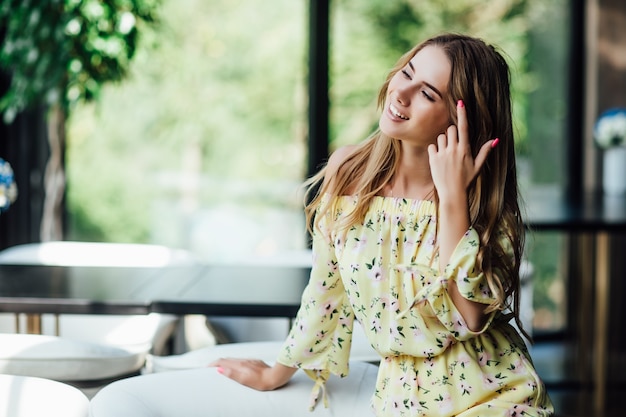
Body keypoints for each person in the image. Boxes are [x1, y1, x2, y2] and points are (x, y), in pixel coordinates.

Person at [210, 33, 555, 416]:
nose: (401, 93)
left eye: (427, 94)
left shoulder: (479, 203)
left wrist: (452, 197)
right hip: (401, 400)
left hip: (497, 397)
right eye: (405, 73)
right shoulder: (348, 173)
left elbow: (468, 318)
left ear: (462, 121)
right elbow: (326, 289)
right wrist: (277, 372)